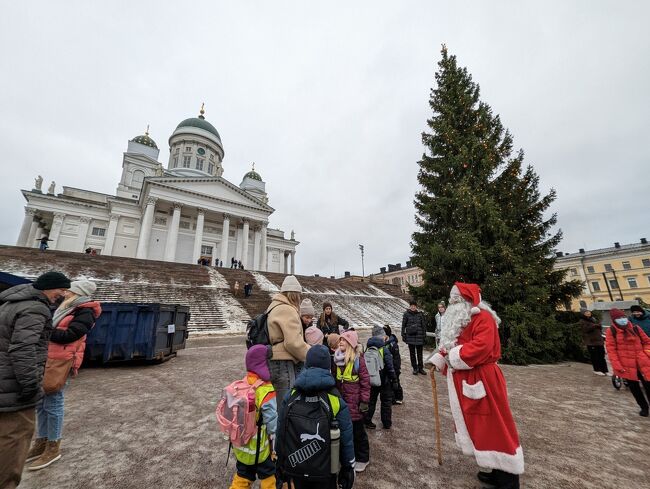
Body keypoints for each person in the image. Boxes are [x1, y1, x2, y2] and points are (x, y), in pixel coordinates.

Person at [427, 282, 524, 489]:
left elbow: (481, 347)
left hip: (484, 379)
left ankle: (508, 480)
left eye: (455, 301)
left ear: (466, 301)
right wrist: (439, 360)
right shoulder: (462, 320)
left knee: (495, 426)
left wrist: (451, 356)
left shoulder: (483, 318)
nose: (451, 305)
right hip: (469, 380)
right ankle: (496, 471)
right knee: (483, 428)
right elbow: (453, 344)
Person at [0, 271, 70, 489]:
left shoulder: (10, 303)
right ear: (49, 287)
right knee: (14, 440)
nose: (64, 294)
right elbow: (23, 349)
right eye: (61, 289)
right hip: (15, 384)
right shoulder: (35, 308)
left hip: (5, 379)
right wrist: (31, 385)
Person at [27, 280, 101, 471]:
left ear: (78, 293)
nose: (65, 293)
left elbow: (72, 334)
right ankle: (41, 442)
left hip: (62, 361)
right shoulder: (65, 308)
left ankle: (53, 446)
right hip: (48, 358)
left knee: (53, 402)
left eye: (69, 290)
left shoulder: (85, 311)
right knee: (42, 403)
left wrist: (45, 331)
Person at [276, 345, 355, 489]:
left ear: (307, 364)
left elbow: (281, 431)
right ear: (328, 367)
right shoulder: (335, 398)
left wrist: (279, 465)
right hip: (326, 472)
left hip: (296, 468)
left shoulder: (292, 395)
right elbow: (346, 437)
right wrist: (348, 467)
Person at [227, 345, 277, 489]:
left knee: (243, 475)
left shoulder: (242, 384)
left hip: (241, 446)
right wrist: (275, 448)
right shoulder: (266, 390)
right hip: (261, 448)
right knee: (268, 476)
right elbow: (272, 423)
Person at [267, 275, 310, 404]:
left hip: (273, 359)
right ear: (295, 294)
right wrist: (311, 353)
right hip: (283, 362)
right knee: (286, 404)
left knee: (277, 403)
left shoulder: (274, 306)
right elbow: (293, 343)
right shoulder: (287, 309)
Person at [334, 330, 371, 472]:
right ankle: (349, 457)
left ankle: (363, 458)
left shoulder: (358, 361)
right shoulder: (337, 360)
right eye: (340, 340)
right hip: (342, 404)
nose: (340, 342)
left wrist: (364, 401)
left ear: (351, 344)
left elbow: (366, 383)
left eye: (344, 340)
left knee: (358, 433)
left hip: (355, 404)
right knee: (345, 432)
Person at [605, 308, 650, 417]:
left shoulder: (635, 328)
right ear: (614, 320)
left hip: (641, 362)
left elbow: (647, 342)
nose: (622, 319)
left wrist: (645, 353)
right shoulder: (611, 331)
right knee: (634, 388)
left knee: (648, 385)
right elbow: (611, 350)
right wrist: (617, 365)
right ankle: (644, 407)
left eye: (623, 317)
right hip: (626, 364)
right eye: (619, 318)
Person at [364, 325, 397, 430]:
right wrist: (394, 379)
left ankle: (367, 421)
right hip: (384, 380)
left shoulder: (368, 347)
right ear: (381, 336)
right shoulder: (384, 349)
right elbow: (390, 366)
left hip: (372, 379)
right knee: (386, 401)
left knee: (371, 400)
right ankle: (386, 422)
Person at [579, 309, 608, 375]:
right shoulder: (582, 321)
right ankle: (597, 370)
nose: (588, 313)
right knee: (595, 357)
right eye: (586, 312)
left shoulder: (594, 319)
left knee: (601, 356)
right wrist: (594, 326)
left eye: (589, 311)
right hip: (591, 342)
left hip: (599, 341)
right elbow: (585, 330)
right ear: (583, 314)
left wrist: (599, 326)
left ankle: (605, 370)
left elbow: (599, 328)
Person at [402, 300, 427, 375]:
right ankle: (415, 368)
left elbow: (423, 325)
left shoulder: (420, 314)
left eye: (414, 306)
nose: (413, 307)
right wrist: (403, 335)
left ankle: (420, 368)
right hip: (410, 337)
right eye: (411, 306)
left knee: (420, 354)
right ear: (410, 306)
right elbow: (403, 325)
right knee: (412, 354)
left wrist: (424, 335)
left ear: (416, 307)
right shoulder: (406, 314)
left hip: (419, 336)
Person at [383, 325, 403, 405]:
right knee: (389, 383)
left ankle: (399, 397)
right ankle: (392, 398)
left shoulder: (392, 345)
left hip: (394, 367)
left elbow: (397, 358)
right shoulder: (384, 343)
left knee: (396, 382)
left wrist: (396, 369)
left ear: (386, 335)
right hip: (388, 367)